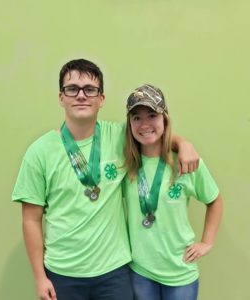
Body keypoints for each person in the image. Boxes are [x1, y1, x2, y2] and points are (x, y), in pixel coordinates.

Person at [12, 59, 199, 300]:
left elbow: (152, 131)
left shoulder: (119, 136)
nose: (81, 95)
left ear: (101, 99)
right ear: (61, 97)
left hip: (114, 272)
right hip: (62, 272)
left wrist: (184, 144)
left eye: (90, 89)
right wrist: (40, 277)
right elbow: (31, 219)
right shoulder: (39, 152)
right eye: (72, 89)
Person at [123, 84, 223, 300]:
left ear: (164, 119)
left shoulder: (186, 162)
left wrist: (207, 242)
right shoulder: (126, 165)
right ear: (129, 124)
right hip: (140, 271)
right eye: (136, 118)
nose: (145, 124)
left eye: (152, 115)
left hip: (180, 271)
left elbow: (214, 200)